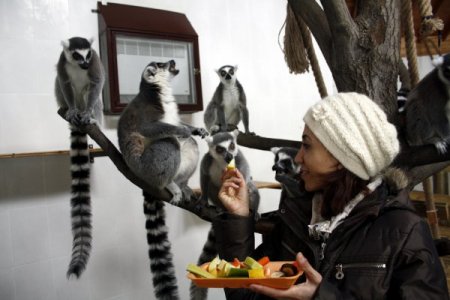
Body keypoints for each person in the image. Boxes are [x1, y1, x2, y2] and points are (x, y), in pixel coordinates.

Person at [212, 92, 449, 299]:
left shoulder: (404, 233)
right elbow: (246, 296)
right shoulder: (296, 219)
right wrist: (238, 218)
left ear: (342, 157)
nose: (298, 158)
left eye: (307, 145)